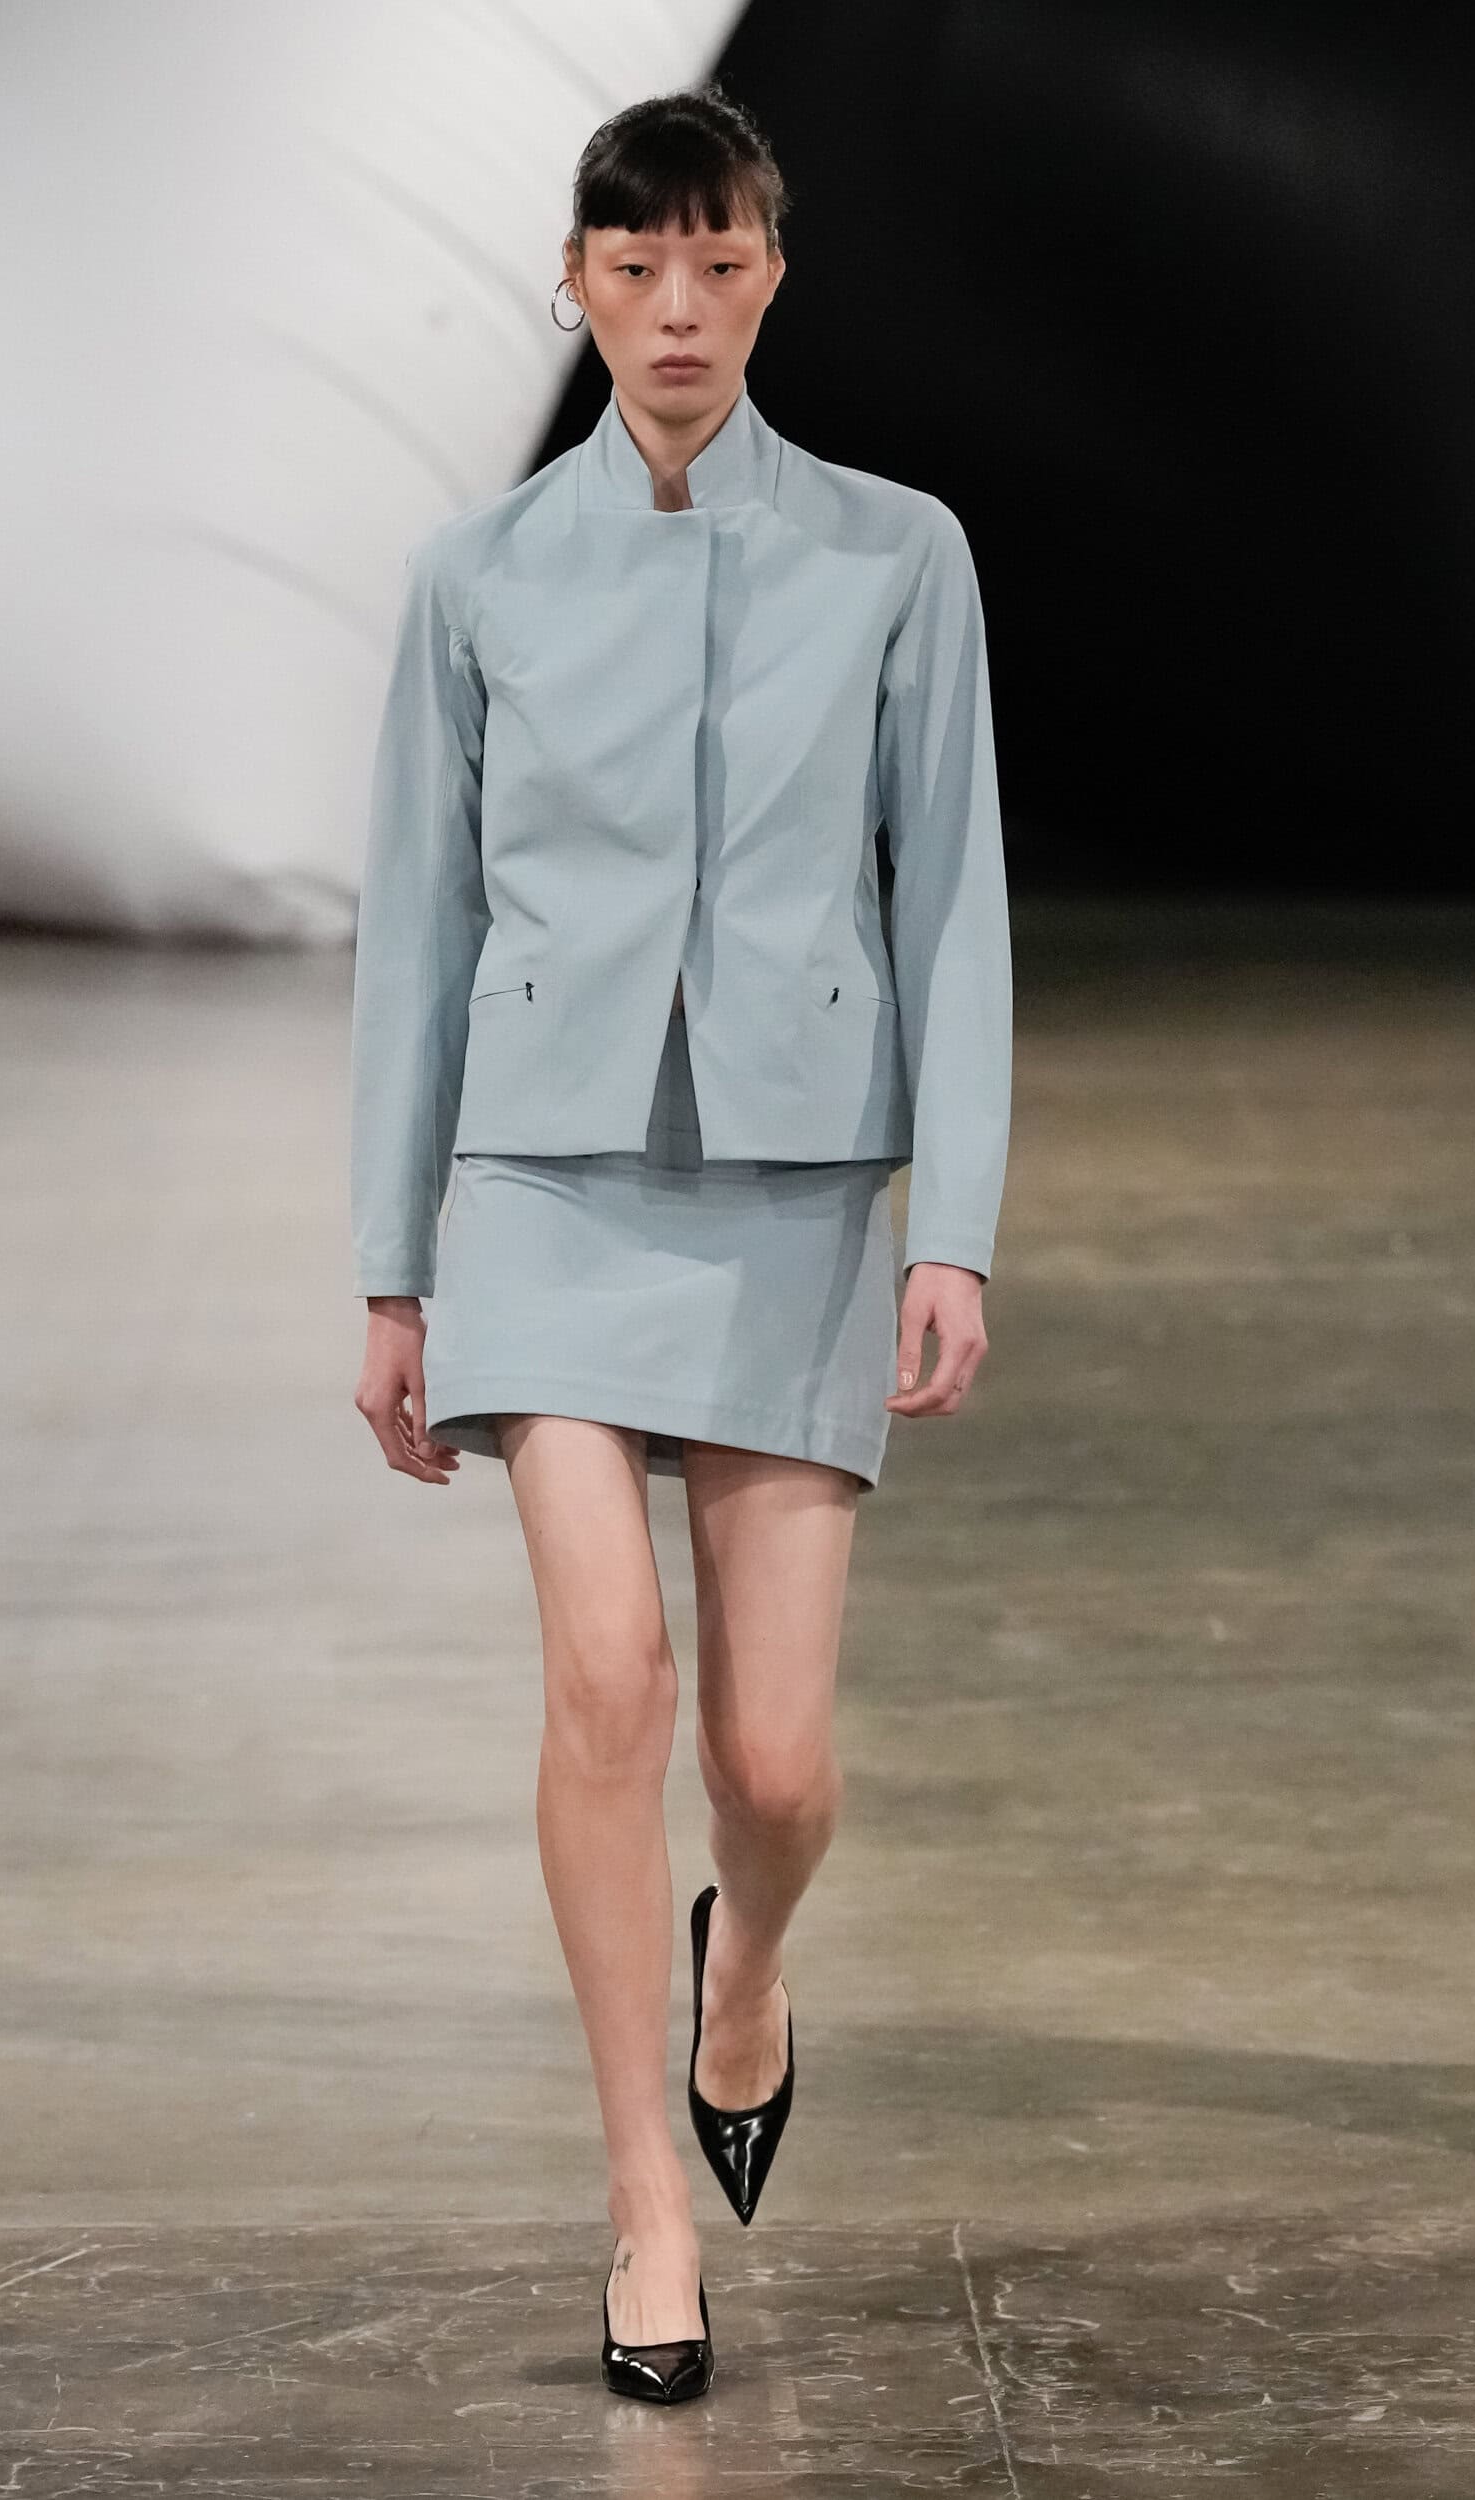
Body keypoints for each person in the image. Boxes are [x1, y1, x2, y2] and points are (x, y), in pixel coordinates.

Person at [351, 83, 1012, 2404]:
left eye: (719, 263)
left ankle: (749, 1972)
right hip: (543, 1182)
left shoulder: (896, 556)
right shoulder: (476, 579)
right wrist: (392, 1264)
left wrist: (958, 1223)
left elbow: (954, 901)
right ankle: (646, 2195)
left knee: (779, 1760)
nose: (678, 307)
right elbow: (418, 935)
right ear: (576, 281)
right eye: (636, 267)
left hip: (798, 1190)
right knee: (608, 1682)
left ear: (770, 278)